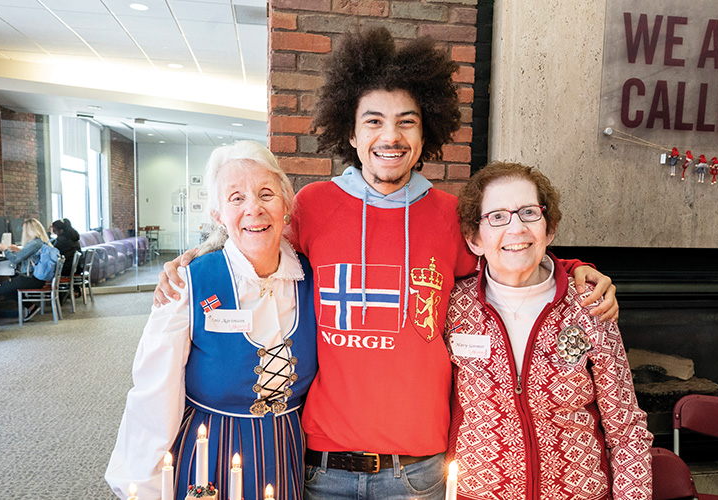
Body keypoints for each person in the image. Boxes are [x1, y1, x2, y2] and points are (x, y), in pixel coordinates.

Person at [155, 28, 618, 499]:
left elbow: (510, 254)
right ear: (351, 133)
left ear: (425, 134)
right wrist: (197, 256)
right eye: (373, 121)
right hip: (321, 466)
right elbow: (254, 245)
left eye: (407, 122)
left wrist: (575, 266)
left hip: (418, 472)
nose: (390, 137)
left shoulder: (448, 215)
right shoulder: (314, 205)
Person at [106, 141, 318, 500]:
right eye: (236, 198)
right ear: (218, 214)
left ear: (285, 204)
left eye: (266, 194)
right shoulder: (188, 282)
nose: (254, 209)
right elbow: (153, 394)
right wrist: (144, 486)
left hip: (286, 455)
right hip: (212, 453)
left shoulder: (312, 279)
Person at [446, 162, 652, 499]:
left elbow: (626, 430)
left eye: (529, 212)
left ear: (549, 228)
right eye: (497, 216)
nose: (516, 228)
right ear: (474, 238)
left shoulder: (589, 303)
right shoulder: (454, 305)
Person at [0, 218, 53, 320]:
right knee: (7, 287)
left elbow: (15, 260)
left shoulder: (33, 243)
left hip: (30, 279)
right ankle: (31, 307)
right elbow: (32, 256)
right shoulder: (40, 242)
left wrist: (5, 250)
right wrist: (19, 250)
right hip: (37, 279)